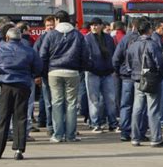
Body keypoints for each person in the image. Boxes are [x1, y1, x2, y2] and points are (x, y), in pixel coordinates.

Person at [0, 28, 42, 160]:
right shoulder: (29, 50)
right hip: (23, 85)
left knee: (3, 118)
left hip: (5, 85)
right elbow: (38, 67)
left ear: (7, 38)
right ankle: (19, 150)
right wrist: (30, 74)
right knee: (20, 118)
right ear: (20, 38)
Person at [39, 10, 89, 143]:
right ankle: (71, 135)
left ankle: (58, 134)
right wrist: (80, 70)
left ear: (57, 20)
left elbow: (43, 55)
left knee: (56, 102)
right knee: (71, 104)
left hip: (54, 72)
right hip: (72, 72)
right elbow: (85, 55)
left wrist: (44, 73)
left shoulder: (50, 35)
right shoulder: (78, 35)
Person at [127, 18, 163, 147]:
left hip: (137, 79)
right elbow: (160, 62)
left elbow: (128, 62)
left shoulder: (133, 45)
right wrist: (161, 75)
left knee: (137, 108)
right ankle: (155, 138)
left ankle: (135, 137)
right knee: (153, 109)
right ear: (149, 30)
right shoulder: (152, 44)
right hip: (151, 78)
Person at [112, 18, 144, 142]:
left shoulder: (126, 39)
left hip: (126, 76)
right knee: (141, 106)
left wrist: (118, 70)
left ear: (131, 26)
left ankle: (125, 131)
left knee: (126, 105)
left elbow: (116, 58)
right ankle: (139, 131)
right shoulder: (144, 40)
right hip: (141, 76)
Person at [85, 18, 118, 133]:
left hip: (107, 72)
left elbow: (113, 53)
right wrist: (89, 67)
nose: (94, 27)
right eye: (92, 25)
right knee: (94, 99)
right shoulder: (87, 38)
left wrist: (113, 67)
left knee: (110, 99)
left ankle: (112, 123)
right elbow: (85, 55)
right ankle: (95, 123)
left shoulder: (108, 38)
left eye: (96, 25)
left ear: (101, 26)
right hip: (92, 72)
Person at [33, 15, 55, 136]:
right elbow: (36, 56)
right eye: (47, 25)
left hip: (56, 72)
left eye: (52, 24)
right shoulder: (41, 39)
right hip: (46, 74)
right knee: (48, 102)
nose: (50, 27)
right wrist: (38, 75)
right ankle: (50, 126)